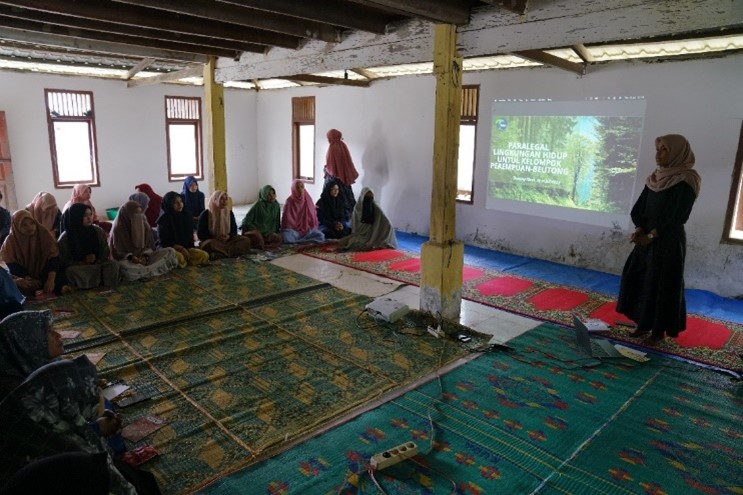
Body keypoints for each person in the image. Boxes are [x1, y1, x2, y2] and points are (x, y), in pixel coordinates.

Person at [0, 356, 139, 495]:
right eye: (95, 390)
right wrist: (95, 432)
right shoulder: (76, 456)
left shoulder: (21, 416)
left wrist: (97, 428)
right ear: (69, 400)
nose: (100, 394)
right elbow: (120, 486)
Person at [617, 134, 701, 345]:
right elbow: (640, 208)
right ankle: (642, 324)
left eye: (664, 150)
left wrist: (652, 236)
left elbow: (676, 216)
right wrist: (639, 229)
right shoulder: (655, 177)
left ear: (676, 153)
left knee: (662, 284)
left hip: (668, 242)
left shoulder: (686, 180)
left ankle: (658, 331)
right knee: (641, 278)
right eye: (658, 148)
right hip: (647, 238)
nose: (658, 154)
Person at [0, 210, 72, 296]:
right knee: (14, 285)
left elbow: (53, 258)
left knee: (58, 273)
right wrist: (28, 278)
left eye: (32, 223)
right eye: (24, 225)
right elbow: (13, 265)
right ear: (16, 226)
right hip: (23, 274)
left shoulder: (43, 233)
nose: (30, 227)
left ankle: (55, 286)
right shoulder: (10, 242)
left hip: (44, 270)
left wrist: (50, 279)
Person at [108, 201, 178, 282]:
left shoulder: (144, 224)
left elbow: (150, 246)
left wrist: (145, 256)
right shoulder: (119, 228)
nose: (138, 216)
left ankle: (143, 273)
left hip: (146, 260)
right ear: (127, 215)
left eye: (140, 213)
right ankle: (151, 271)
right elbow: (117, 252)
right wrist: (131, 257)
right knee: (122, 267)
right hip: (128, 261)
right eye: (135, 214)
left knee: (170, 251)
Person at [0, 309, 61, 400]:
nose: (58, 335)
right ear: (25, 344)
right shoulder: (23, 395)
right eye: (48, 332)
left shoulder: (39, 364)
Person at [58, 203, 121, 290]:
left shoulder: (98, 231)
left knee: (113, 265)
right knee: (70, 272)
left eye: (90, 214)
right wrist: (82, 262)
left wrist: (97, 259)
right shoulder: (66, 237)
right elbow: (63, 261)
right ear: (76, 217)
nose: (89, 218)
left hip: (97, 265)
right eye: (84, 215)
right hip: (79, 268)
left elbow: (105, 251)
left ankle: (106, 286)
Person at [157, 191, 209, 267]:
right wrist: (181, 249)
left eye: (181, 201)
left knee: (204, 255)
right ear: (169, 205)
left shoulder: (187, 216)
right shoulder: (163, 220)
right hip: (170, 249)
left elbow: (190, 239)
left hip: (186, 248)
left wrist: (187, 249)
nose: (180, 204)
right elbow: (164, 242)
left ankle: (184, 262)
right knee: (180, 258)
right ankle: (183, 262)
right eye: (175, 202)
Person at [338, 187, 398, 252]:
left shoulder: (375, 207)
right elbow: (354, 226)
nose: (369, 199)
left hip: (373, 236)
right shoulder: (357, 208)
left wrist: (381, 235)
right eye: (366, 197)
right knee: (347, 241)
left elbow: (388, 224)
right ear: (362, 197)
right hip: (360, 235)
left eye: (371, 197)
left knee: (360, 244)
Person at [197, 190, 252, 259]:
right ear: (215, 200)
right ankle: (231, 253)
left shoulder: (229, 213)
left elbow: (234, 229)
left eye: (226, 199)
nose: (224, 201)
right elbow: (200, 234)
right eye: (221, 199)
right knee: (209, 245)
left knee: (245, 240)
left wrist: (228, 236)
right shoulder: (206, 214)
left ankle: (221, 254)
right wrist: (216, 237)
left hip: (227, 240)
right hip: (213, 240)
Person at [324, 129, 359, 218]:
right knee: (347, 201)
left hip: (334, 180)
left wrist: (325, 169)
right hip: (344, 179)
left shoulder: (332, 148)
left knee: (335, 201)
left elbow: (331, 168)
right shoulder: (343, 145)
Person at [280, 180, 325, 244]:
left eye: (302, 187)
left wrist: (306, 227)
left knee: (321, 236)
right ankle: (304, 241)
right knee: (285, 236)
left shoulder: (308, 200)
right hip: (294, 231)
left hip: (307, 231)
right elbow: (286, 221)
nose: (300, 189)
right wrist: (296, 229)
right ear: (294, 189)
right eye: (297, 188)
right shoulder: (289, 201)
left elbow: (312, 219)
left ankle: (299, 242)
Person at [240, 185, 283, 250]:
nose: (272, 196)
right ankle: (263, 245)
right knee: (258, 237)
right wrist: (256, 230)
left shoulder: (276, 205)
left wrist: (275, 231)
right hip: (256, 230)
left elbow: (276, 221)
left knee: (279, 238)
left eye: (273, 194)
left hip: (268, 232)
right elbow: (246, 221)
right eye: (269, 194)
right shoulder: (258, 205)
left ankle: (264, 245)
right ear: (264, 195)